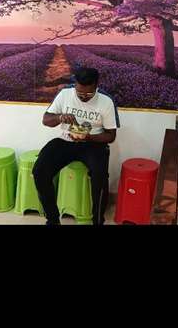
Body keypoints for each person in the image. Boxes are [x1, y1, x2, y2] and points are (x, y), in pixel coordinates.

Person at [33, 67, 120, 226]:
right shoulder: (65, 94)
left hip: (93, 144)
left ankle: (97, 221)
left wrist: (88, 137)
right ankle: (52, 219)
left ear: (96, 86)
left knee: (100, 177)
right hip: (66, 140)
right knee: (39, 171)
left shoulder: (106, 101)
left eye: (88, 94)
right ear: (75, 85)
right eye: (79, 93)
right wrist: (60, 117)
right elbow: (46, 120)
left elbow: (111, 136)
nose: (83, 97)